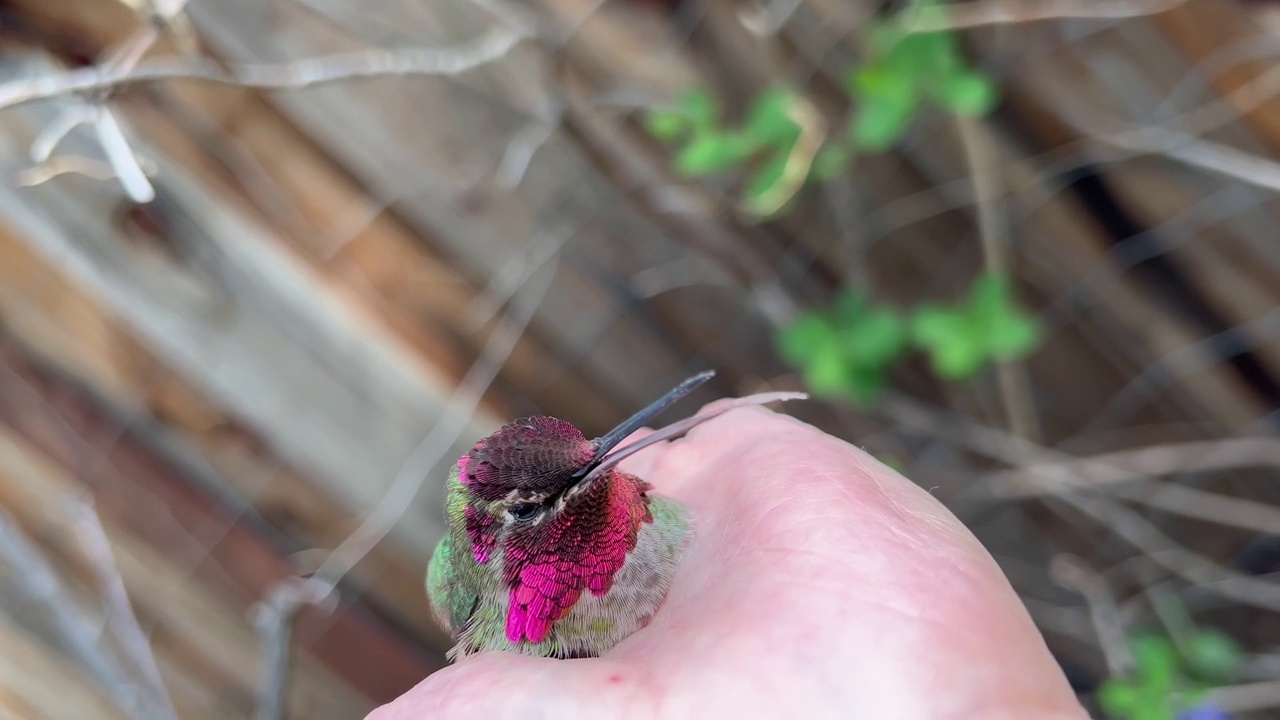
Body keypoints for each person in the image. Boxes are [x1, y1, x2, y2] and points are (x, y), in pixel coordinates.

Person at [369, 404, 1086, 718]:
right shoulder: (468, 592)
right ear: (495, 546)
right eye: (531, 509)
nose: (610, 462)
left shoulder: (644, 504)